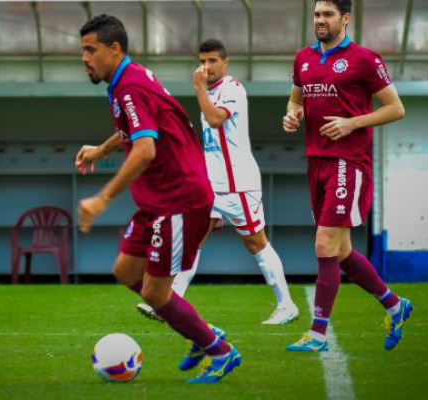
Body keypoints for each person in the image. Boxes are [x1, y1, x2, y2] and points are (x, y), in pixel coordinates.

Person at [75, 15, 241, 383]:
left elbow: (145, 149)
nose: (84, 58)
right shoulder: (126, 81)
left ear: (114, 49)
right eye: (82, 50)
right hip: (159, 200)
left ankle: (219, 350)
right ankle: (198, 330)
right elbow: (134, 131)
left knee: (153, 290)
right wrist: (101, 150)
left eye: (91, 50)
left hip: (179, 198)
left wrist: (102, 198)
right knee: (126, 271)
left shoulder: (130, 87)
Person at [137, 39, 300, 325]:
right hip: (212, 186)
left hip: (239, 184)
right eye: (202, 61)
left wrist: (198, 87)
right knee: (193, 241)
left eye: (212, 61)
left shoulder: (233, 90)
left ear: (225, 63)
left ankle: (287, 304)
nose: (206, 67)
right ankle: (168, 302)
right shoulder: (209, 92)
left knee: (255, 242)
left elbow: (214, 120)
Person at [283, 0, 412, 351]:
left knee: (324, 244)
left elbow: (396, 108)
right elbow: (296, 101)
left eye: (327, 14)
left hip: (348, 162)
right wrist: (292, 116)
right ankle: (395, 306)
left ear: (345, 18)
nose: (320, 20)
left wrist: (352, 123)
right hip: (316, 162)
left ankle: (317, 333)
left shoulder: (365, 59)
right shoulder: (303, 58)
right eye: (316, 14)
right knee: (340, 253)